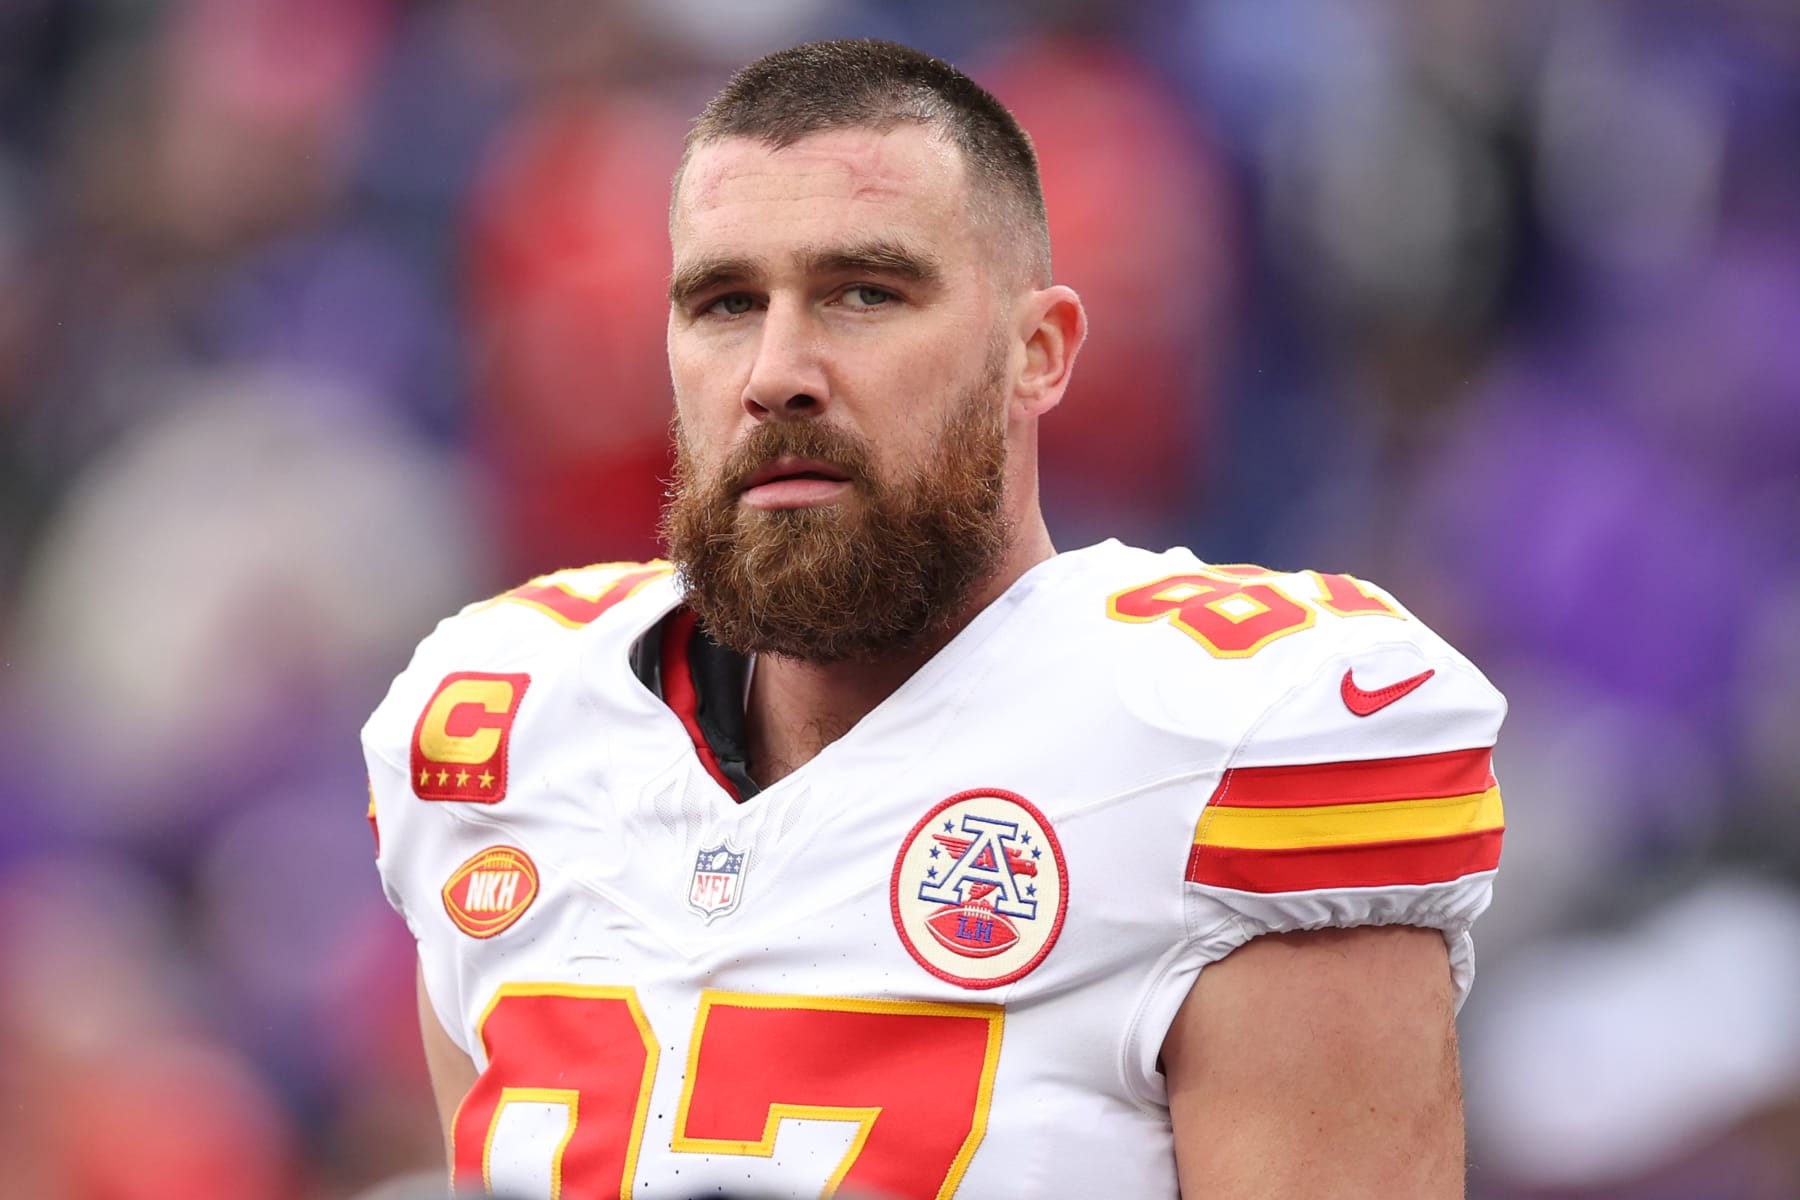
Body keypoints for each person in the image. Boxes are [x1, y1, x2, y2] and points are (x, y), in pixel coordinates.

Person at [362, 39, 1506, 1200]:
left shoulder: (1235, 739)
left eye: (864, 293)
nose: (776, 370)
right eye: (724, 302)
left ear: (1038, 352)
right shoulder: (499, 728)